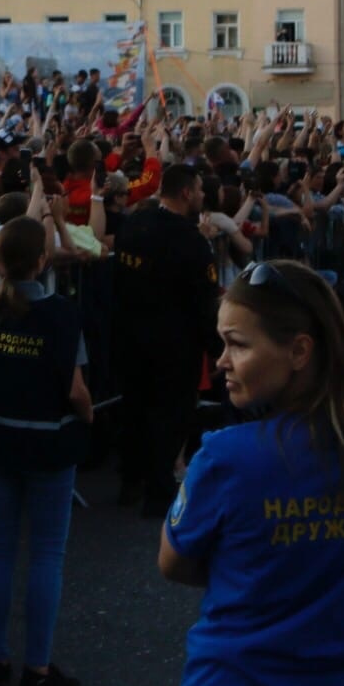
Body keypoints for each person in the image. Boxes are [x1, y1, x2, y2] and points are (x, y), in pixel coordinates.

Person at [160, 260, 344, 686]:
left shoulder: (225, 458)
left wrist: (255, 564)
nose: (220, 362)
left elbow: (173, 561)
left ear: (299, 351)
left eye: (237, 345)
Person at [0, 216, 90, 686]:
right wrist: (90, 416)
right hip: (48, 440)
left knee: (0, 550)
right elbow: (75, 389)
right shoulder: (61, 313)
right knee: (47, 554)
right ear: (42, 260)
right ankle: (36, 669)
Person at [113, 163, 220, 514]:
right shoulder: (191, 241)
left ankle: (130, 481)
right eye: (201, 190)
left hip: (131, 334)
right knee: (169, 415)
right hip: (175, 342)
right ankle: (158, 492)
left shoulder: (133, 225)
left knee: (134, 408)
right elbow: (204, 300)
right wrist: (216, 348)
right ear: (187, 192)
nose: (203, 196)